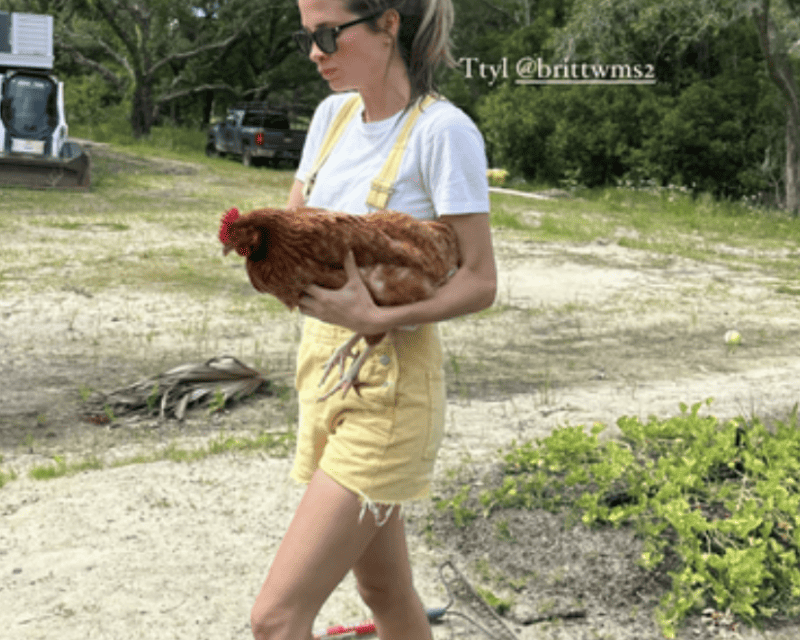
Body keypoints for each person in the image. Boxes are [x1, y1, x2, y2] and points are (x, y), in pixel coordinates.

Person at [250, 0, 497, 638]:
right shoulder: (331, 119)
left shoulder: (443, 133)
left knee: (276, 619)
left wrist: (374, 314)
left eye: (329, 34)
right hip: (321, 372)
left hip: (387, 387)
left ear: (388, 23)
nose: (315, 52)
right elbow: (295, 229)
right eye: (308, 36)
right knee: (385, 592)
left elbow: (479, 280)